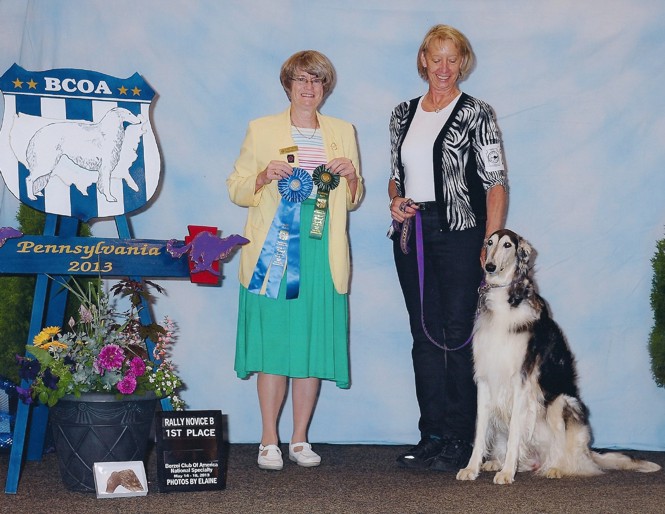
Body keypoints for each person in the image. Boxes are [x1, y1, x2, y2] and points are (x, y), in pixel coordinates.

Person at [227, 50, 363, 471]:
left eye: (316, 81)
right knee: (275, 345)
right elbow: (236, 187)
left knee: (311, 344)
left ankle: (300, 439)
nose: (309, 89)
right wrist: (264, 177)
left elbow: (353, 200)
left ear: (325, 88)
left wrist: (353, 178)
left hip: (323, 252)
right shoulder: (261, 128)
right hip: (274, 250)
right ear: (288, 85)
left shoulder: (343, 131)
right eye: (301, 80)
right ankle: (269, 439)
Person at [388, 25, 508, 472]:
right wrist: (394, 199)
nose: (442, 68)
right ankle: (431, 435)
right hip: (412, 233)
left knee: (457, 337)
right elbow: (396, 174)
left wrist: (489, 245)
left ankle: (463, 437)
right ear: (423, 59)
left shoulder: (478, 113)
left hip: (462, 234)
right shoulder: (402, 114)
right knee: (423, 336)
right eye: (435, 58)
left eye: (451, 59)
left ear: (462, 63)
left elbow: (495, 183)